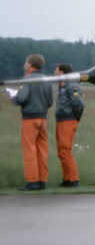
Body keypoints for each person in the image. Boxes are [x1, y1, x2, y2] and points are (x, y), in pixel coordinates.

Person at [10, 54, 53, 191]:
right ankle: (42, 180)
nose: (24, 65)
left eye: (26, 62)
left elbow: (21, 98)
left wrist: (13, 96)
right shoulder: (47, 79)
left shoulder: (27, 79)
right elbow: (50, 101)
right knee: (42, 150)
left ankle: (33, 181)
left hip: (29, 118)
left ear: (30, 64)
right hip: (43, 118)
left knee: (29, 149)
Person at [54, 63, 85, 187]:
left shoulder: (71, 86)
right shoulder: (61, 86)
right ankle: (66, 179)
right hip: (60, 121)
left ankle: (73, 179)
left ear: (62, 71)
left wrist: (75, 118)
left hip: (68, 121)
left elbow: (79, 104)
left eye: (56, 70)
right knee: (61, 151)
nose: (55, 72)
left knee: (66, 150)